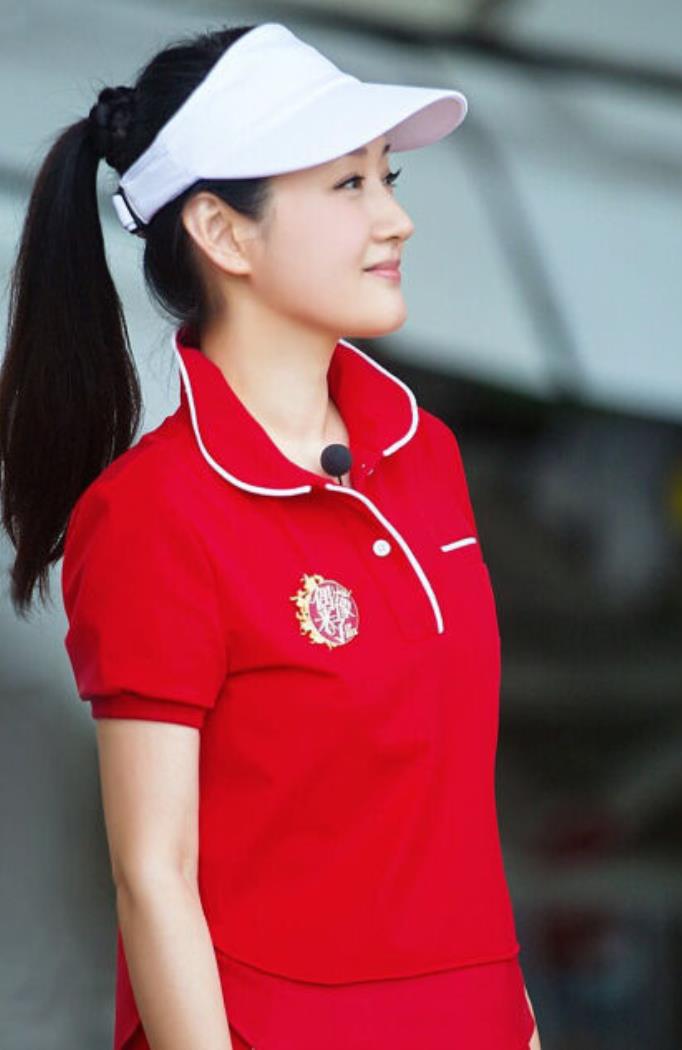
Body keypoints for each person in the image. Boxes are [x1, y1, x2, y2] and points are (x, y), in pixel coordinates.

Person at [0, 20, 541, 1050]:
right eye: (349, 185)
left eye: (388, 178)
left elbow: (451, 827)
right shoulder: (155, 513)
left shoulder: (426, 456)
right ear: (222, 231)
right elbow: (152, 877)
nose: (396, 219)